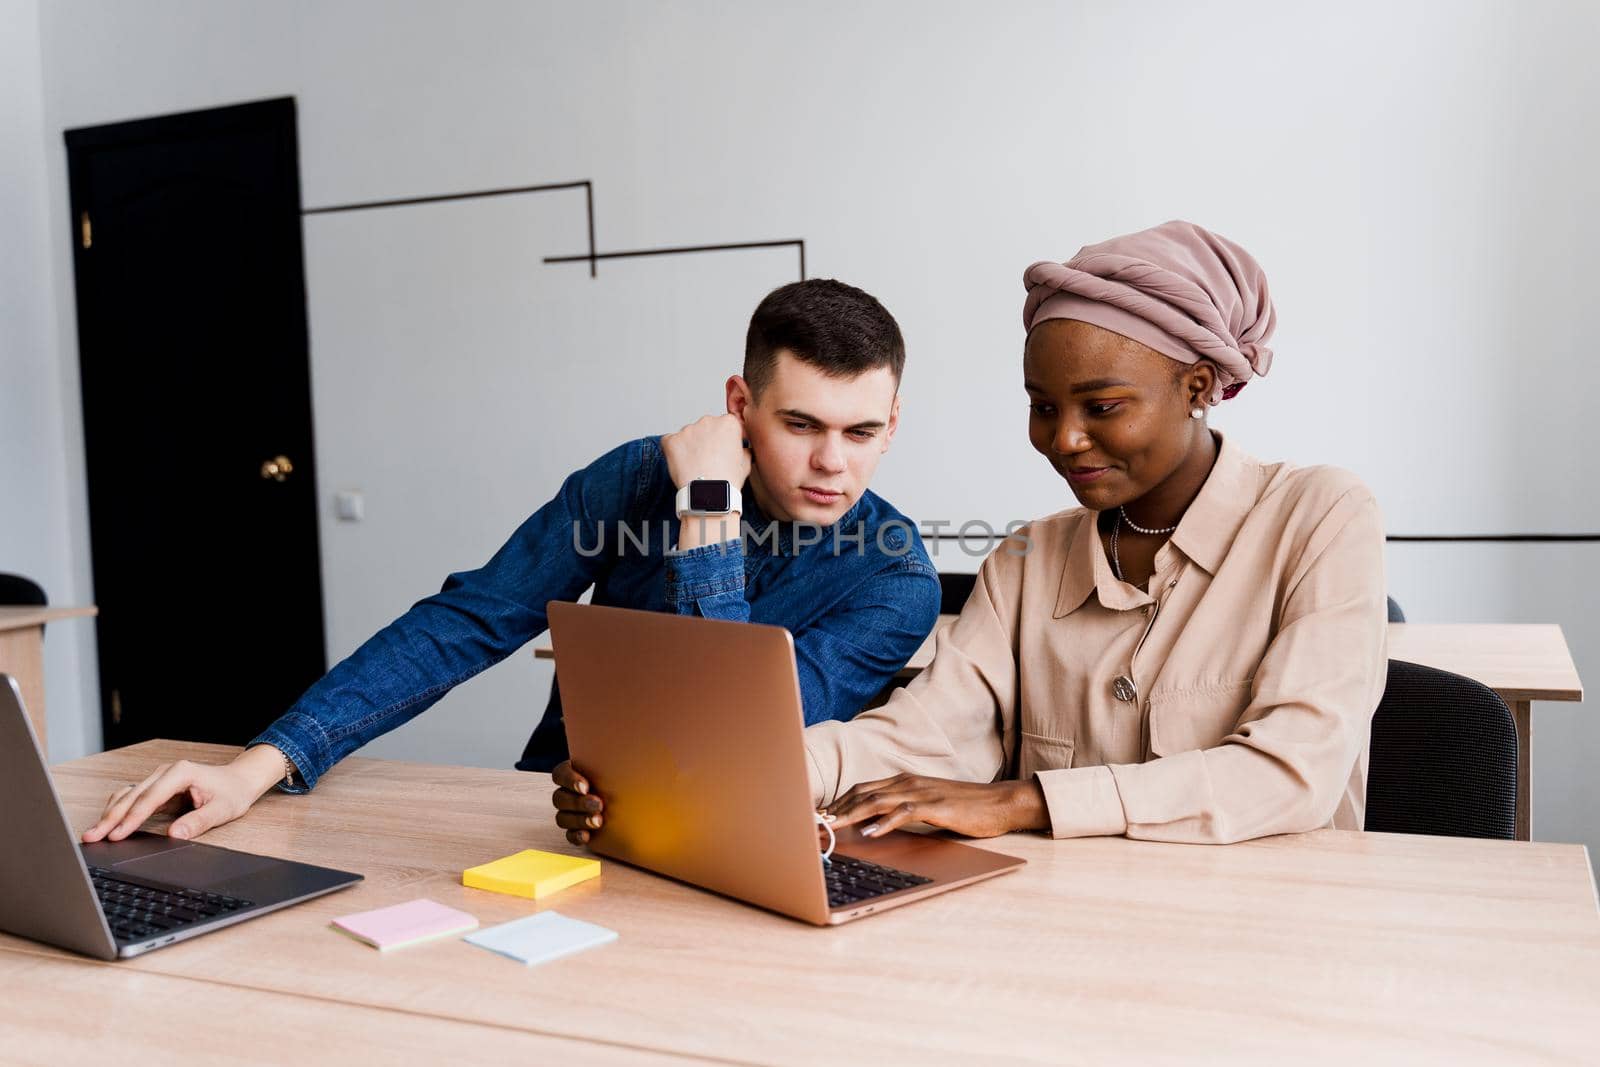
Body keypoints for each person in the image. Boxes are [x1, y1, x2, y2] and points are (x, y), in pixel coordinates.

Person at [553, 221, 1387, 848]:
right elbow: (923, 734)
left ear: (1198, 385)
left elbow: (1291, 773)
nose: (1063, 438)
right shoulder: (1032, 556)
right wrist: (692, 783)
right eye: (1042, 405)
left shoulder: (1322, 515)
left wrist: (1024, 800)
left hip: (1266, 939)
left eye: (1101, 407)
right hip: (1058, 940)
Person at [86, 279, 941, 845]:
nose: (834, 461)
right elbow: (471, 620)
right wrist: (257, 765)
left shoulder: (895, 578)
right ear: (738, 404)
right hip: (556, 818)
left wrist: (707, 509)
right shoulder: (638, 475)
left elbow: (727, 741)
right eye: (801, 425)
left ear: (892, 424)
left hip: (737, 852)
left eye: (861, 432)